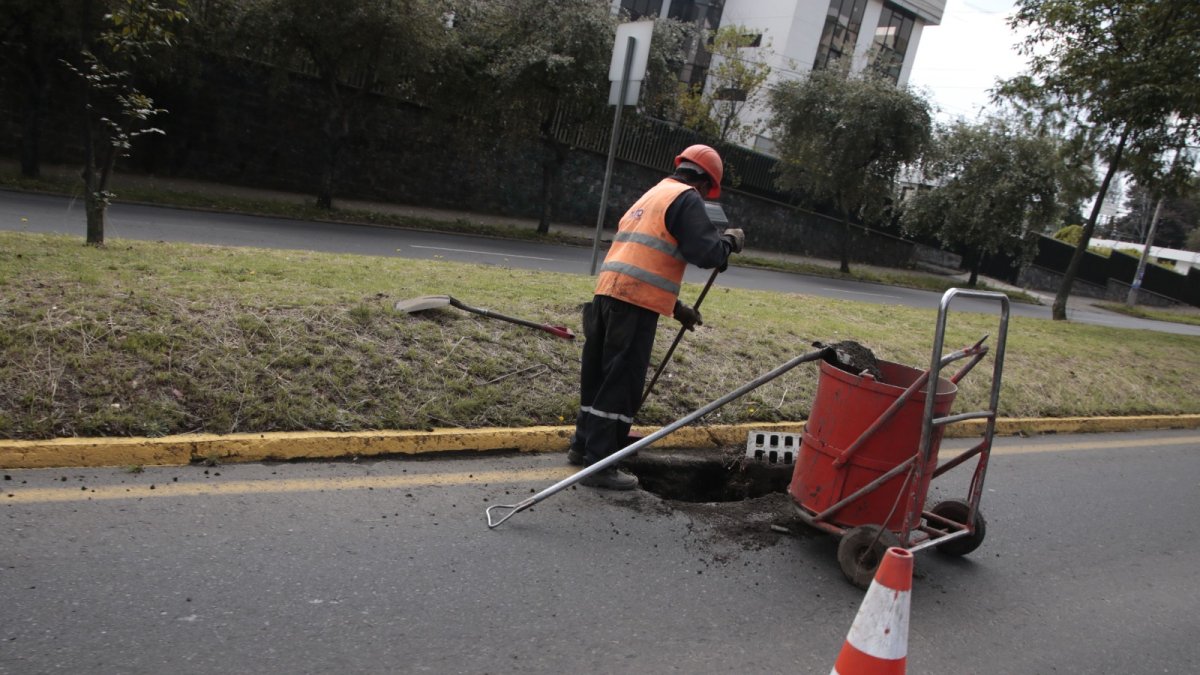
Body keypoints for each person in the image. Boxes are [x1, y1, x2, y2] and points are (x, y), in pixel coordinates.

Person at [568, 144, 745, 490]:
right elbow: (706, 252)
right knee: (621, 380)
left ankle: (583, 445)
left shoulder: (653, 194)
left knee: (599, 374)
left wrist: (677, 309)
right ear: (706, 184)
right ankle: (601, 463)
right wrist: (729, 242)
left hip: (608, 293)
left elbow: (645, 260)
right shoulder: (686, 198)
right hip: (634, 304)